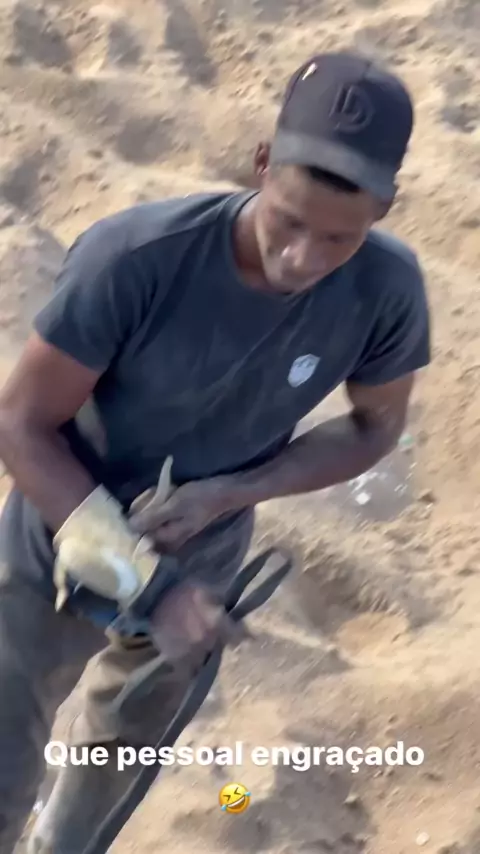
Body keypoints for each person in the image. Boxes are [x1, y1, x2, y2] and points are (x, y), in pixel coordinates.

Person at [0, 49, 430, 853]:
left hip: (203, 551)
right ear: (262, 162)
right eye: (288, 221)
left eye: (338, 238)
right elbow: (21, 422)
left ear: (384, 207)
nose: (303, 259)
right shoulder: (137, 259)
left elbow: (375, 427)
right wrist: (144, 581)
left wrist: (233, 493)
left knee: (114, 761)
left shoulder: (386, 291)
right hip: (60, 531)